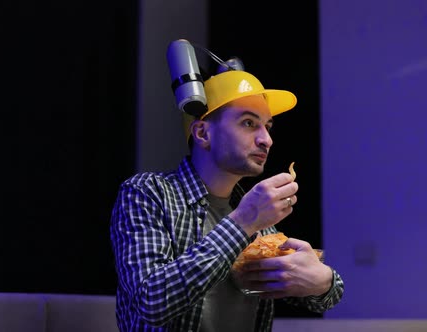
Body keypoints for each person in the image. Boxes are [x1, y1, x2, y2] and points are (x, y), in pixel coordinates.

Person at [110, 69, 344, 332]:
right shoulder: (147, 192)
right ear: (203, 134)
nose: (266, 139)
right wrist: (243, 222)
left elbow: (320, 297)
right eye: (248, 123)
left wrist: (324, 281)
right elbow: (152, 302)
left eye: (267, 127)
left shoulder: (253, 211)